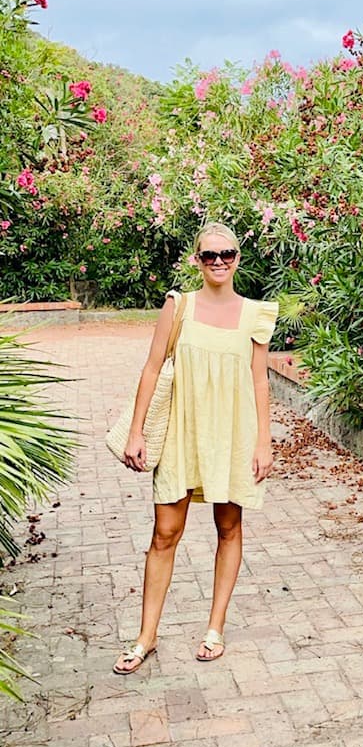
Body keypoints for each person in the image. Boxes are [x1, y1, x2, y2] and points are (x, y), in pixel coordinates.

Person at [113, 221, 279, 674]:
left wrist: (264, 442)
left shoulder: (255, 314)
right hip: (183, 432)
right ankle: (146, 636)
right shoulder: (178, 306)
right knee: (164, 532)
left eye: (227, 254)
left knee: (229, 527)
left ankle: (215, 628)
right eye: (210, 256)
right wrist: (136, 430)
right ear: (197, 260)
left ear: (238, 258)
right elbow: (151, 369)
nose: (219, 262)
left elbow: (259, 381)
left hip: (231, 434)